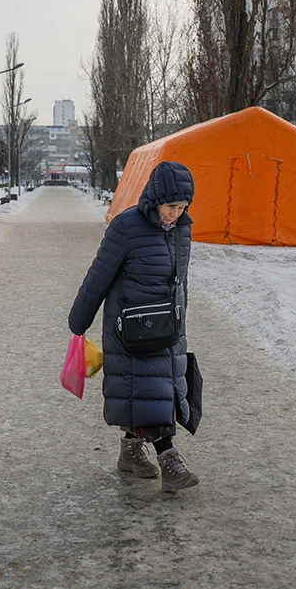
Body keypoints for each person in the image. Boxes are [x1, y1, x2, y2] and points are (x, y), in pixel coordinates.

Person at [68, 160, 199, 493]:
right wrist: (79, 322)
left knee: (157, 392)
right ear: (156, 198)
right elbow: (99, 275)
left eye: (183, 207)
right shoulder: (126, 227)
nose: (176, 213)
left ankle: (130, 452)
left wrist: (180, 320)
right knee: (150, 392)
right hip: (131, 330)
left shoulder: (184, 228)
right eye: (171, 206)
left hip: (168, 330)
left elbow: (179, 281)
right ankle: (169, 459)